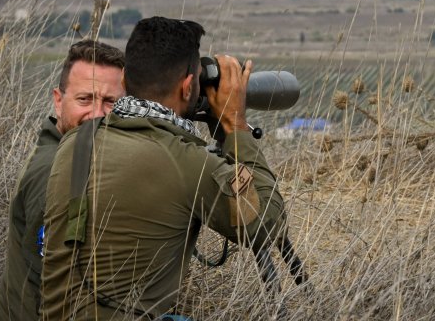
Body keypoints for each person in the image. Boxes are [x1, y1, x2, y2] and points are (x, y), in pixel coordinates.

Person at [41, 17, 286, 319]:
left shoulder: (75, 141)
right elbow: (267, 224)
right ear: (187, 88)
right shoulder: (185, 162)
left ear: (125, 81)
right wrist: (234, 124)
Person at [0, 39, 125, 320]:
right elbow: (54, 287)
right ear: (58, 100)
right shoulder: (54, 172)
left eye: (110, 101)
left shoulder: (78, 158)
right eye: (85, 99)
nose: (97, 114)